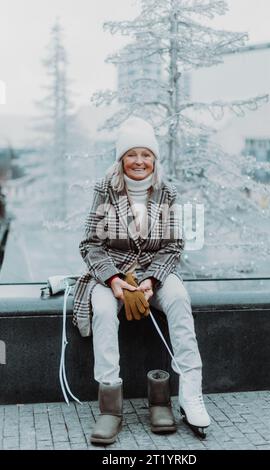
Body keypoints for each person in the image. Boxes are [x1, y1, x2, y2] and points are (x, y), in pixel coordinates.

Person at [73, 116, 210, 445]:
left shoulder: (167, 192)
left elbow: (174, 245)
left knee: (179, 300)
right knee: (104, 312)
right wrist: (115, 280)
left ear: (154, 158)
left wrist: (151, 282)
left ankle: (191, 395)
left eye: (145, 154)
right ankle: (110, 407)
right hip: (112, 274)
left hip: (155, 271)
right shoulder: (105, 188)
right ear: (121, 159)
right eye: (131, 154)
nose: (139, 161)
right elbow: (91, 243)